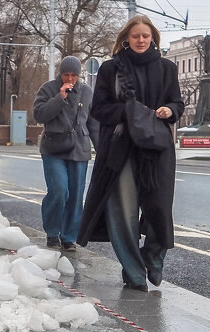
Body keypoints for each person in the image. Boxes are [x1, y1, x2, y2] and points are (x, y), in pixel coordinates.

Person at [78, 15, 184, 290]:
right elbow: (99, 109)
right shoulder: (110, 69)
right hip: (120, 148)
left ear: (153, 39)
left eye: (145, 36)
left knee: (160, 208)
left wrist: (170, 110)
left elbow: (177, 103)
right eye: (135, 36)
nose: (140, 40)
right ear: (126, 38)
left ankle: (153, 256)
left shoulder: (167, 68)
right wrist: (129, 110)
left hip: (156, 147)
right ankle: (134, 270)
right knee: (123, 212)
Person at [33, 56, 95, 253]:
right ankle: (52, 233)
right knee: (59, 191)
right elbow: (39, 115)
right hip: (54, 148)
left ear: (79, 74)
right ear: (60, 74)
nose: (70, 79)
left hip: (79, 148)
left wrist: (102, 149)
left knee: (76, 196)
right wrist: (60, 98)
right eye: (66, 74)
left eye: (74, 75)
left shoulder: (87, 92)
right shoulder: (48, 89)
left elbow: (93, 123)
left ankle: (69, 237)